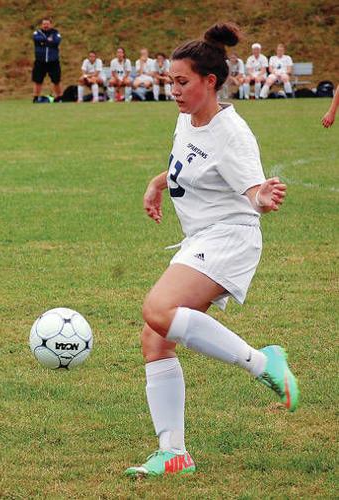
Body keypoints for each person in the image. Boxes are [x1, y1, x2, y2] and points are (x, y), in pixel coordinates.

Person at [124, 23, 299, 478]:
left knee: (158, 309)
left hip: (230, 236)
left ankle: (265, 362)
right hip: (202, 237)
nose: (174, 91)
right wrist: (158, 183)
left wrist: (263, 196)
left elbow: (252, 189)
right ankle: (173, 452)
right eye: (170, 82)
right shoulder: (187, 117)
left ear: (210, 82)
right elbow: (187, 162)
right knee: (154, 337)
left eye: (182, 83)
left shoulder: (233, 133)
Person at [31, 18, 62, 102]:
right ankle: (36, 97)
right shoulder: (37, 33)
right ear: (41, 25)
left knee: (56, 80)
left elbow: (57, 41)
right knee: (38, 80)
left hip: (53, 61)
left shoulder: (55, 32)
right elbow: (37, 39)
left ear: (51, 24)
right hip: (40, 61)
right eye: (44, 24)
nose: (46, 25)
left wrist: (44, 42)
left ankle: (59, 97)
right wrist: (47, 40)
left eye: (47, 24)